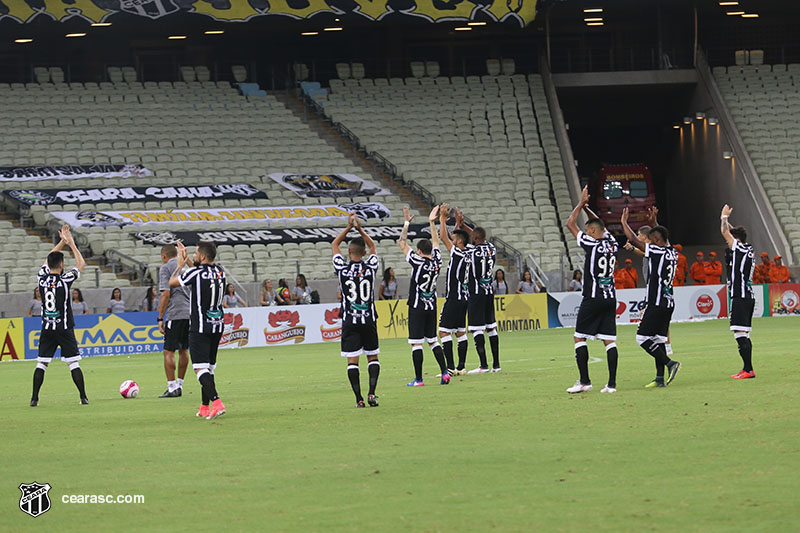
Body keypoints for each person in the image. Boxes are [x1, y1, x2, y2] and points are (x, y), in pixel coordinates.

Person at [564, 186, 620, 394]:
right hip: (610, 297)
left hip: (593, 297)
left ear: (593, 232)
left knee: (579, 337)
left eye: (588, 230)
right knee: (609, 341)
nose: (587, 233)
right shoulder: (613, 243)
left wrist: (580, 204)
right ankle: (611, 385)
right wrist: (589, 209)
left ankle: (584, 382)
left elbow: (570, 224)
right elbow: (600, 225)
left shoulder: (592, 243)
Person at [622, 208, 681, 388]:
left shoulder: (657, 251)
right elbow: (662, 236)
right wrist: (654, 221)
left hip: (656, 302)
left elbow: (634, 240)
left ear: (655, 240)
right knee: (658, 339)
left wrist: (624, 222)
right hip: (668, 302)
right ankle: (660, 378)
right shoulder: (672, 251)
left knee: (642, 338)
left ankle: (670, 363)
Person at [30, 225, 87, 407]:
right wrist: (71, 243)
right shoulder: (65, 280)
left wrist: (61, 242)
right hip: (64, 328)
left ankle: (34, 399)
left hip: (47, 327)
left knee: (41, 364)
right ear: (61, 265)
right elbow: (81, 264)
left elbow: (48, 260)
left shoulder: (41, 279)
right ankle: (83, 397)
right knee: (73, 363)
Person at [168, 241, 227, 420]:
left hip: (200, 327)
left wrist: (180, 265)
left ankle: (217, 403)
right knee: (208, 368)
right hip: (217, 325)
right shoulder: (220, 271)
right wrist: (187, 259)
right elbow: (201, 273)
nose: (193, 255)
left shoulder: (195, 273)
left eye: (195, 253)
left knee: (200, 368)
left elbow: (172, 282)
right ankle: (204, 407)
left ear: (202, 256)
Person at [332, 213, 381, 408]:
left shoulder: (342, 269)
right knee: (372, 356)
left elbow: (334, 245)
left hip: (350, 320)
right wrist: (360, 228)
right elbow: (373, 246)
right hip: (368, 319)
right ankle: (372, 393)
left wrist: (348, 227)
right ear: (364, 253)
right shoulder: (371, 267)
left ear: (349, 251)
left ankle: (359, 399)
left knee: (352, 360)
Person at [399, 205, 449, 386]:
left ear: (419, 251)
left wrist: (406, 223)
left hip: (417, 306)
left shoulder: (417, 261)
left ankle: (419, 379)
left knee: (416, 343)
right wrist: (431, 223)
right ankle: (445, 372)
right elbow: (436, 242)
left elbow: (402, 243)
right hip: (431, 306)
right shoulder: (437, 262)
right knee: (433, 341)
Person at [720, 205, 757, 379]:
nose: (728, 244)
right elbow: (733, 233)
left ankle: (748, 370)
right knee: (744, 334)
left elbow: (725, 232)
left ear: (736, 240)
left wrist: (724, 217)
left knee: (740, 334)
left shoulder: (739, 249)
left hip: (740, 296)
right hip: (747, 295)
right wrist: (729, 224)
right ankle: (747, 368)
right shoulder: (748, 249)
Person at [437, 204, 471, 376]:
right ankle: (461, 367)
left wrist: (442, 219)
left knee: (443, 331)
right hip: (464, 298)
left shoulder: (457, 253)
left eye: (455, 238)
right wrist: (458, 224)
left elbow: (443, 237)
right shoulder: (468, 252)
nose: (452, 238)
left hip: (453, 298)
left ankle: (450, 367)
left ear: (459, 242)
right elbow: (456, 237)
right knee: (460, 332)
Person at [466, 224, 501, 374]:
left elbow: (457, 243)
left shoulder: (471, 251)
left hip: (476, 293)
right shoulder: (492, 248)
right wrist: (465, 226)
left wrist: (459, 225)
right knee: (491, 327)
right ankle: (496, 365)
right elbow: (478, 236)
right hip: (489, 291)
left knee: (477, 328)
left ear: (474, 238)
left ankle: (483, 365)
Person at [157, 243, 190, 399]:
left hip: (175, 313)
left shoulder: (165, 268)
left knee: (168, 351)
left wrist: (160, 317)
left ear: (164, 256)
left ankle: (172, 388)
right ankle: (180, 385)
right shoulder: (186, 267)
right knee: (184, 350)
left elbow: (166, 293)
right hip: (189, 313)